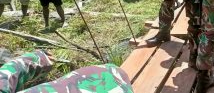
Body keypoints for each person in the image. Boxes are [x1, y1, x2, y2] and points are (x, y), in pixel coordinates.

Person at [0, 50, 134, 93]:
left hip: (110, 77)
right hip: (110, 78)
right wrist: (39, 58)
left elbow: (8, 73)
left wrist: (40, 58)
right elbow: (9, 72)